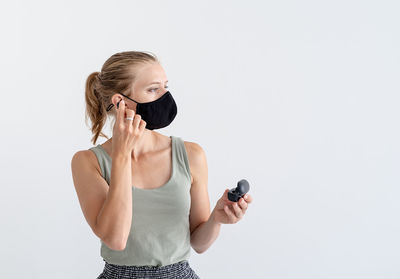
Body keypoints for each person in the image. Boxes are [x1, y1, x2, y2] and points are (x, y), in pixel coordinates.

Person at [70, 51, 253, 279]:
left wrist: (217, 218)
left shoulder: (190, 155)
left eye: (165, 86)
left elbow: (199, 243)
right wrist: (122, 156)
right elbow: (115, 239)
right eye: (153, 89)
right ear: (120, 102)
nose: (165, 96)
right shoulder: (88, 162)